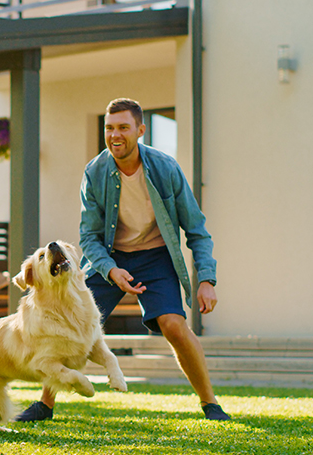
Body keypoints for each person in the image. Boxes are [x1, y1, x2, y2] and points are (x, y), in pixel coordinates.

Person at [16, 98, 230, 422]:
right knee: (71, 322)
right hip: (110, 258)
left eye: (123, 128)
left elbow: (197, 229)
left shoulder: (165, 168)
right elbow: (88, 237)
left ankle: (210, 403)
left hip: (156, 257)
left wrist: (207, 280)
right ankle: (45, 404)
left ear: (140, 130)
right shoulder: (95, 171)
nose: (115, 135)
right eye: (109, 128)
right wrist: (111, 270)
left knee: (174, 325)